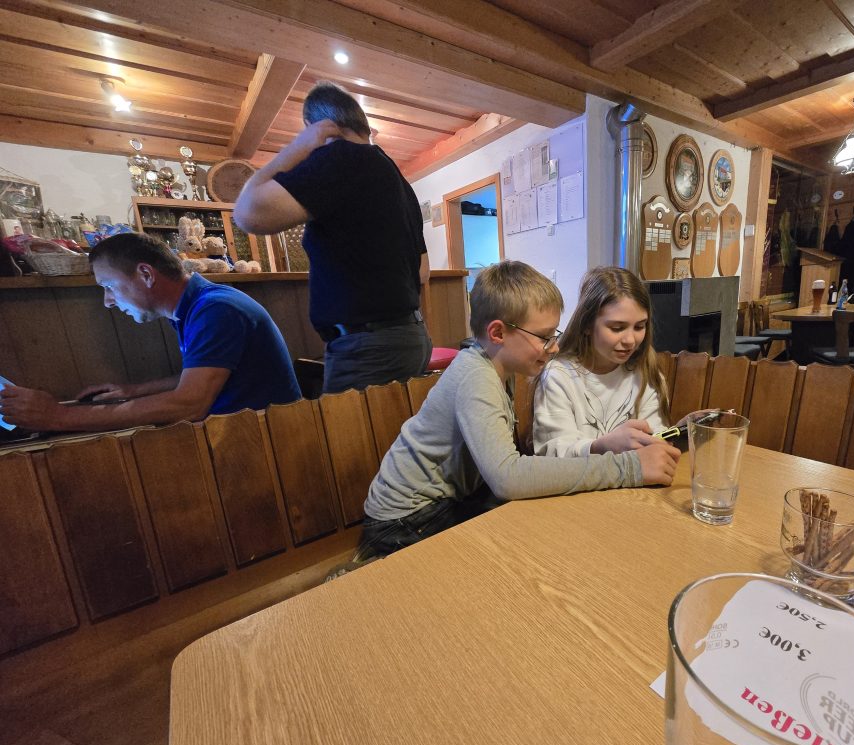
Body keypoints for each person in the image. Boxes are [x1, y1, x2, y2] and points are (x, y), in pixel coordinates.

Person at [355, 260, 679, 560]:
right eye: (544, 337)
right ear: (498, 333)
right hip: (405, 521)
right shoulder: (476, 377)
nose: (554, 346)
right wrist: (628, 468)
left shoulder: (500, 366)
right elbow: (508, 478)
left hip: (451, 500)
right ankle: (369, 564)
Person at [233, 80, 431, 394]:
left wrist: (299, 146)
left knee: (353, 430)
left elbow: (247, 213)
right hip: (409, 337)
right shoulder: (395, 177)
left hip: (368, 348)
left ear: (321, 127)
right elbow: (422, 272)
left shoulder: (341, 158)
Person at [0, 232, 301, 433]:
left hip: (271, 440)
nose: (108, 301)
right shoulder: (196, 306)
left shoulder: (217, 309)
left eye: (109, 286)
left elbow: (190, 404)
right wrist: (133, 391)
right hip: (246, 433)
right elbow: (206, 375)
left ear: (145, 274)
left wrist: (57, 417)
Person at [532, 267, 669, 457]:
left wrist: (678, 432)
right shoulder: (559, 375)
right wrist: (601, 446)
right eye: (617, 328)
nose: (630, 340)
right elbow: (554, 450)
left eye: (639, 326)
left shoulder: (645, 372)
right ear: (587, 325)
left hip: (636, 475)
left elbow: (655, 438)